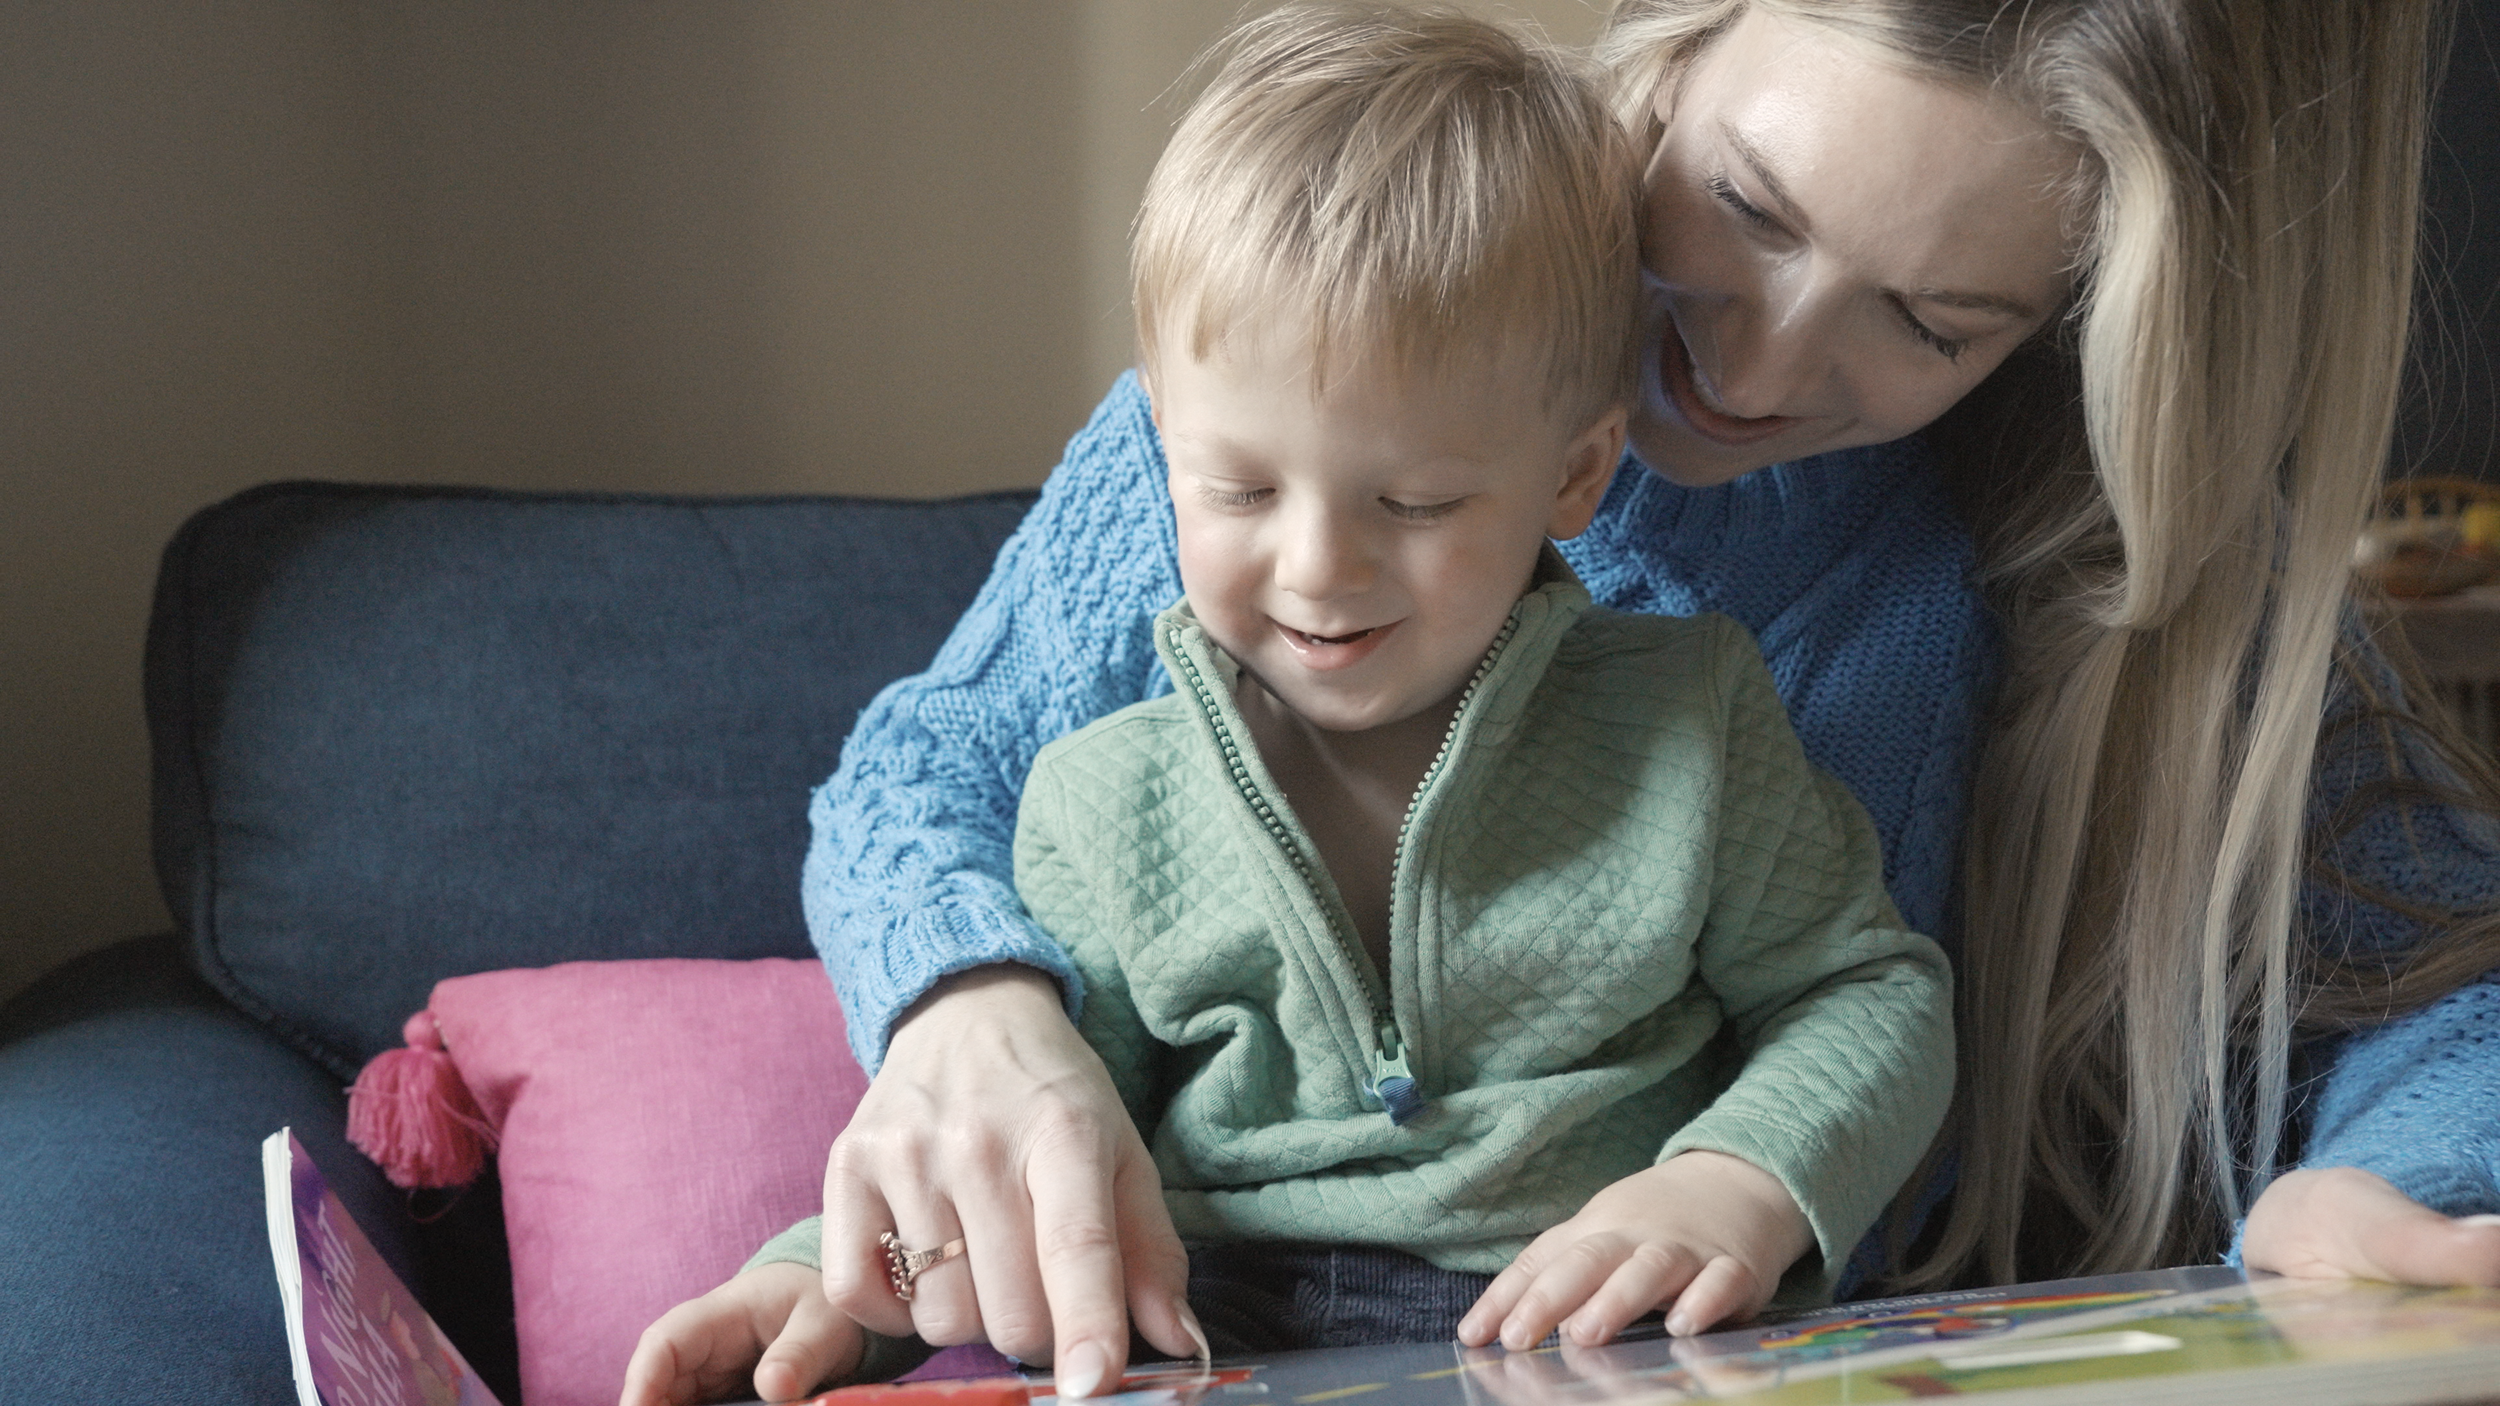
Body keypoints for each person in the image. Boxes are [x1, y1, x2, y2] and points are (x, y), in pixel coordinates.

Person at [635, 0, 2500, 1402]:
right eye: (1745, 205)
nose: (1762, 367)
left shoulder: (2093, 552)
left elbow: (2447, 982)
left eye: (1931, 321)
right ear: (1678, 53)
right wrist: (964, 1021)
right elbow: (937, 771)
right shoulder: (1296, 391)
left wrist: (2386, 1192)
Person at [623, 10, 1954, 1398]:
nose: (1319, 566)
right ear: (1161, 454)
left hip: (1583, 1339)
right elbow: (1045, 1132)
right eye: (1240, 489)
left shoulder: (1691, 718)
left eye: (1418, 500)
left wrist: (1736, 1183)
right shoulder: (1103, 795)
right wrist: (827, 1278)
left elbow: (1870, 993)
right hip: (1214, 1336)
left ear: (1575, 475)